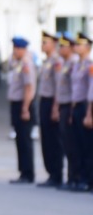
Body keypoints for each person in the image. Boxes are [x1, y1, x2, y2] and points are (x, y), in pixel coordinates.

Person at [5, 36, 36, 185]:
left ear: (23, 49)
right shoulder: (17, 63)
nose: (14, 51)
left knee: (25, 140)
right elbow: (8, 65)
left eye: (17, 48)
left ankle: (28, 173)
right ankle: (23, 171)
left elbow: (29, 88)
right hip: (16, 104)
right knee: (19, 140)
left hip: (24, 105)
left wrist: (25, 108)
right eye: (14, 48)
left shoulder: (26, 64)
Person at [37, 30, 63, 188]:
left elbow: (59, 86)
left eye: (45, 42)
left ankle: (56, 174)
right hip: (44, 101)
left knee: (54, 140)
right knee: (46, 139)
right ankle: (51, 173)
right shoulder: (46, 61)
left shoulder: (56, 61)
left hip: (52, 102)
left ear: (53, 44)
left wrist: (55, 107)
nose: (42, 45)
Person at [53, 34, 79, 190]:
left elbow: (75, 89)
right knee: (66, 144)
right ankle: (70, 177)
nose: (60, 48)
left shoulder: (74, 63)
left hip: (70, 105)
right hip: (64, 105)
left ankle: (74, 177)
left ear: (71, 48)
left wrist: (71, 110)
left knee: (72, 145)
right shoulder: (65, 63)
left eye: (63, 46)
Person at [68, 33, 93, 194]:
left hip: (86, 107)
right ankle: (81, 178)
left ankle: (88, 180)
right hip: (77, 107)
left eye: (79, 44)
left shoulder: (90, 65)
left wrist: (89, 114)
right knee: (78, 145)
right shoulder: (77, 65)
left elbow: (91, 91)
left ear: (87, 47)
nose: (76, 47)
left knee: (87, 146)